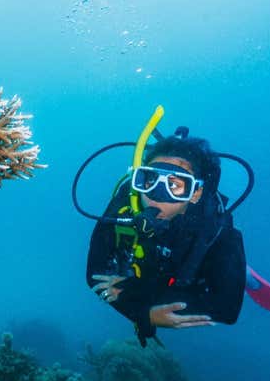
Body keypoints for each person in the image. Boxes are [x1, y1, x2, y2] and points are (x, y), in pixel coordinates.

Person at [86, 124, 247, 346]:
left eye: (174, 185)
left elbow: (227, 309)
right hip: (151, 267)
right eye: (150, 180)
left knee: (213, 268)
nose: (156, 196)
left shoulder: (216, 229)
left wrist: (139, 302)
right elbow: (95, 275)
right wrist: (143, 314)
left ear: (195, 193)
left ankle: (236, 269)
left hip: (192, 269)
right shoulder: (126, 202)